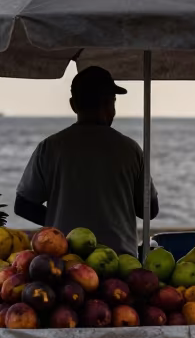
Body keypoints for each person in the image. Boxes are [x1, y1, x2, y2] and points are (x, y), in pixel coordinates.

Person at [14, 66, 158, 257]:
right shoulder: (130, 150)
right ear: (110, 104)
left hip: (64, 264)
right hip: (120, 265)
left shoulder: (50, 148)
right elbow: (150, 210)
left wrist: (61, 223)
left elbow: (23, 205)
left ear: (73, 104)